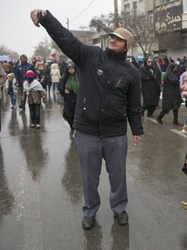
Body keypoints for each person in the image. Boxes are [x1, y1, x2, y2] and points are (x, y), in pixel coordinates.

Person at [30, 9, 143, 229]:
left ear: (126, 45)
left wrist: (136, 129)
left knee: (117, 176)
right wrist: (45, 18)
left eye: (119, 39)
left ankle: (119, 209)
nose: (113, 40)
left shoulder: (131, 72)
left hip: (115, 133)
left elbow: (133, 105)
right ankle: (90, 211)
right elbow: (66, 38)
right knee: (90, 178)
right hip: (87, 131)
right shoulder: (90, 56)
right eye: (112, 36)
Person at [60, 61, 80, 137]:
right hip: (68, 98)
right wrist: (63, 90)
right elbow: (61, 85)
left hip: (77, 97)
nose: (70, 70)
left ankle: (76, 129)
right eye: (69, 69)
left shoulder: (78, 76)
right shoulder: (65, 76)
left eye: (72, 68)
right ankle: (72, 127)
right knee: (67, 114)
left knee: (76, 115)